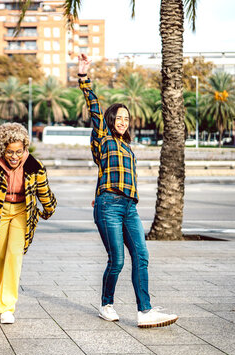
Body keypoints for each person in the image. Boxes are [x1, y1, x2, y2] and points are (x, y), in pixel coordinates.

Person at [78, 53, 178, 328]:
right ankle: (106, 304)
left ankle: (145, 312)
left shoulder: (128, 147)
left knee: (142, 256)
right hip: (108, 206)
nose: (123, 121)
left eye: (127, 118)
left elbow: (111, 175)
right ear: (111, 119)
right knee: (117, 259)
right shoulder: (103, 138)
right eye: (119, 116)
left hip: (129, 207)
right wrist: (84, 77)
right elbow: (94, 107)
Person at [0, 123, 56, 324]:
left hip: (22, 213)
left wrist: (48, 209)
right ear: (2, 150)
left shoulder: (34, 167)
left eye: (19, 151)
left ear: (25, 148)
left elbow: (44, 191)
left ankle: (6, 306)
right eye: (10, 152)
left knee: (14, 256)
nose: (15, 156)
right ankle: (2, 294)